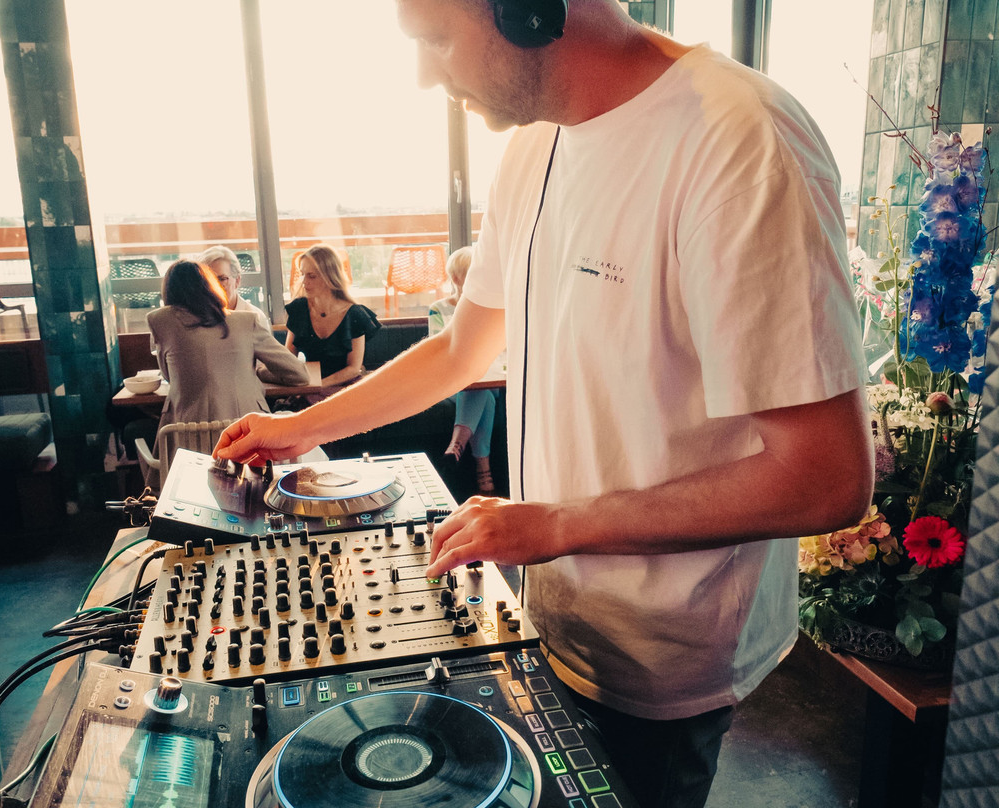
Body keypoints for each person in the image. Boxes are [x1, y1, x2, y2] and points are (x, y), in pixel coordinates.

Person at [215, 3, 874, 806]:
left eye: (435, 39)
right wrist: (299, 428)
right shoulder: (532, 146)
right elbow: (463, 349)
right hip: (548, 611)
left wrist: (556, 524)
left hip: (660, 656)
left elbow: (824, 477)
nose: (424, 74)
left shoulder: (741, 140)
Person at [148, 260, 308, 435]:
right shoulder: (246, 322)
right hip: (244, 434)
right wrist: (259, 372)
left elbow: (169, 376)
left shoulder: (161, 321)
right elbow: (299, 374)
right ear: (210, 287)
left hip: (185, 437)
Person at [429, 246, 503, 494]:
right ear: (456, 277)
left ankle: (455, 446)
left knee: (481, 388)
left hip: (488, 378)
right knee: (482, 395)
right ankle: (484, 473)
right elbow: (438, 348)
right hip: (454, 382)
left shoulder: (489, 309)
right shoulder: (439, 308)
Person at [284, 244, 380, 388]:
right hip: (310, 384)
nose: (304, 281)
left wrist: (318, 387)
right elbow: (288, 359)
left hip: (345, 386)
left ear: (330, 277)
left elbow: (353, 368)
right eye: (302, 274)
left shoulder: (355, 314)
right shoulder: (299, 309)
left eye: (312, 276)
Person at [198, 245, 270, 331]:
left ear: (237, 281)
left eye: (222, 279)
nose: (214, 286)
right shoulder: (195, 319)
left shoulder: (256, 319)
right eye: (208, 280)